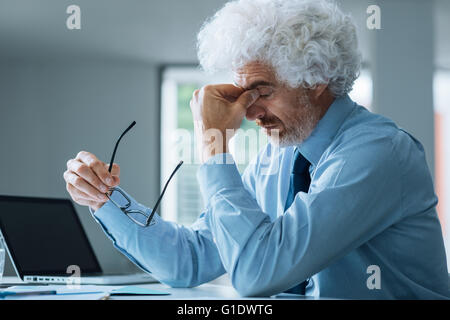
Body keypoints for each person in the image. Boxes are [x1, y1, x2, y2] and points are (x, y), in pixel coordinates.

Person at [63, 0, 449, 299]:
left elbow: (257, 274)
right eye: (242, 93)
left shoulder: (378, 154)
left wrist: (215, 146)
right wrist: (103, 198)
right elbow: (191, 258)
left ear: (316, 78)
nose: (249, 113)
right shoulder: (278, 154)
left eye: (262, 91)